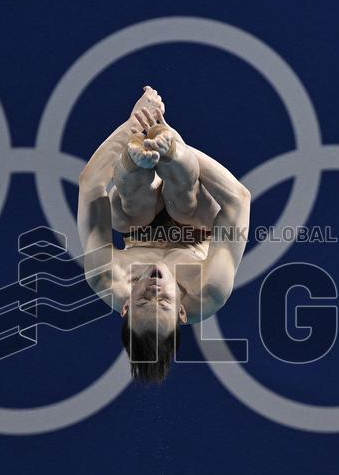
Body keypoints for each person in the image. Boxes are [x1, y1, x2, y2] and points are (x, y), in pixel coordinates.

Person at [77, 86, 251, 383]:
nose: (155, 287)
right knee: (184, 201)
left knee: (130, 201)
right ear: (182, 314)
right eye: (165, 302)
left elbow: (90, 187)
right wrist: (172, 146)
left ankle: (136, 161)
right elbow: (238, 199)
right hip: (194, 222)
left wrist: (136, 123)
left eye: (144, 300)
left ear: (126, 307)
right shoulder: (209, 290)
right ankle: (167, 153)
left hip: (137, 219)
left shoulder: (106, 277)